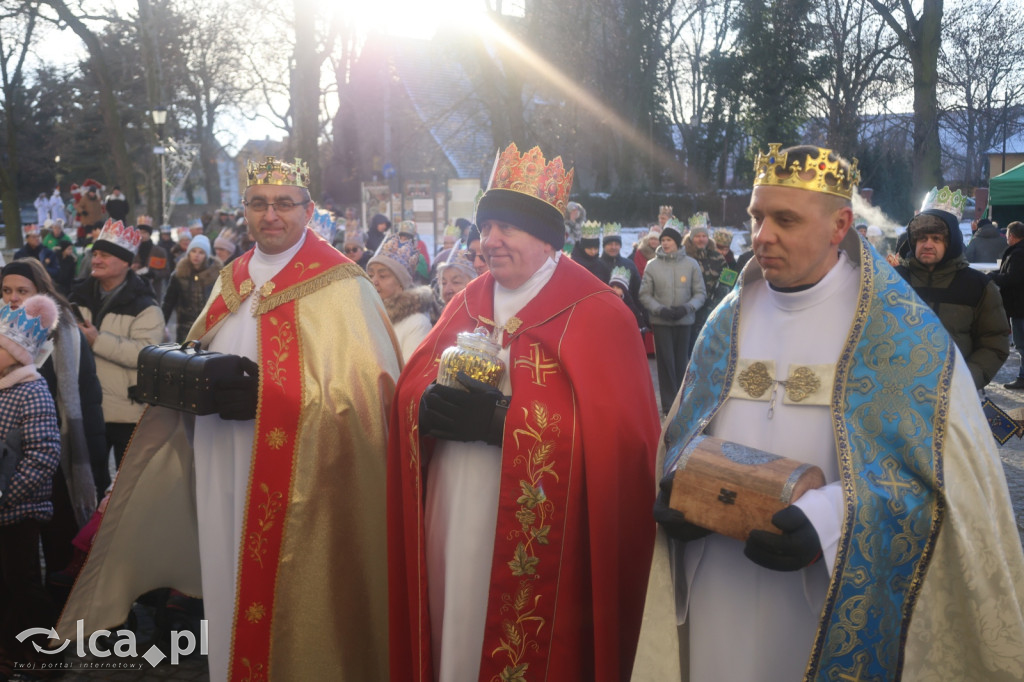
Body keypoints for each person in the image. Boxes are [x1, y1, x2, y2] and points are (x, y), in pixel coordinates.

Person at [634, 144, 1024, 682]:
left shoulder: (904, 333)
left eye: (785, 219)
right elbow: (687, 427)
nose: (762, 234)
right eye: (756, 216)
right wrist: (680, 487)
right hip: (716, 582)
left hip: (826, 596)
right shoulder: (729, 316)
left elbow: (945, 489)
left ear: (840, 224)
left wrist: (828, 520)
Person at [56, 156, 401, 682]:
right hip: (220, 459)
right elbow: (200, 347)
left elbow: (370, 402)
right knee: (226, 579)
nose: (271, 215)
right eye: (258, 204)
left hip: (300, 483)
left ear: (308, 211)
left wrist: (271, 399)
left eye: (284, 203)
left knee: (288, 592)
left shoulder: (342, 286)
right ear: (244, 212)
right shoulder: (232, 277)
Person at [388, 143, 660, 682]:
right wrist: (424, 405)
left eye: (507, 228)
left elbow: (626, 447)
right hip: (452, 508)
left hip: (536, 527)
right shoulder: (468, 298)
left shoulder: (600, 313)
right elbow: (410, 390)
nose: (489, 241)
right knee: (452, 620)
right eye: (486, 227)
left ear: (546, 238)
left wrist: (503, 425)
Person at [1, 259, 106, 583]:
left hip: (60, 452)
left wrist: (93, 460)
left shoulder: (65, 334)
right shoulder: (3, 329)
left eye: (22, 290)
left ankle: (63, 614)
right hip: (13, 458)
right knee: (22, 557)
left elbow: (87, 399)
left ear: (40, 292)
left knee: (61, 536)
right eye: (6, 290)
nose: (13, 298)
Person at [68, 219, 164, 479]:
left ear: (124, 262)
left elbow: (147, 354)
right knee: (90, 486)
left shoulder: (146, 306)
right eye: (95, 254)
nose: (96, 260)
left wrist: (97, 341)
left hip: (127, 414)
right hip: (87, 409)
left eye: (105, 255)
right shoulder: (76, 298)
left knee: (126, 490)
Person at [0, 294, 62, 677]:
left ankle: (40, 653)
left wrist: (7, 496)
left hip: (20, 510)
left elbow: (43, 455)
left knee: (23, 583)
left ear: (19, 355)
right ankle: (8, 646)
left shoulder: (32, 391)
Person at [895, 187, 1008, 389]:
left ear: (952, 242)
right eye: (922, 238)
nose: (927, 244)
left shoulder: (978, 286)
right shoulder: (895, 281)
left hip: (954, 397)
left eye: (936, 239)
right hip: (899, 394)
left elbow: (994, 343)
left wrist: (964, 381)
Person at [639, 220, 706, 414]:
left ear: (677, 241)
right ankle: (669, 405)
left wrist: (688, 308)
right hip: (662, 322)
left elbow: (700, 293)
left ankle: (683, 401)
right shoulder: (652, 265)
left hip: (684, 321)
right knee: (666, 363)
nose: (665, 243)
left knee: (682, 362)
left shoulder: (691, 265)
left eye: (669, 239)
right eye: (663, 239)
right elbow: (645, 294)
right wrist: (660, 309)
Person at [368, 232, 435, 361]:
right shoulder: (366, 314)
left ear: (401, 283)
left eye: (383, 276)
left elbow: (409, 375)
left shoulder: (417, 323)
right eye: (370, 275)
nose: (374, 281)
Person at [161, 235, 224, 343]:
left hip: (209, 329)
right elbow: (168, 304)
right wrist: (161, 327)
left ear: (206, 255)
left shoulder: (217, 276)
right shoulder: (179, 275)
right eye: (193, 251)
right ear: (189, 252)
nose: (196, 255)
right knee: (184, 358)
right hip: (185, 329)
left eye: (201, 252)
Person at [683, 215, 727, 354]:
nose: (701, 239)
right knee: (690, 349)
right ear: (691, 238)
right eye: (697, 236)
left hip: (712, 308)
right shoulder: (684, 257)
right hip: (690, 309)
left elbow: (727, 280)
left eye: (704, 236)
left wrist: (718, 300)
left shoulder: (717, 257)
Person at [991, 221, 1024, 389]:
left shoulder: (1017, 254)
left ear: (1011, 236)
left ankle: (1022, 378)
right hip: (1019, 306)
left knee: (1021, 345)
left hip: (1019, 307)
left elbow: (1012, 278)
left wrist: (993, 277)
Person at [600, 222, 642, 302]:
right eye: (610, 244)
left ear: (620, 246)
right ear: (604, 245)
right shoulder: (597, 265)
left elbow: (638, 291)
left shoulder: (629, 265)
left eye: (616, 244)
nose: (613, 247)